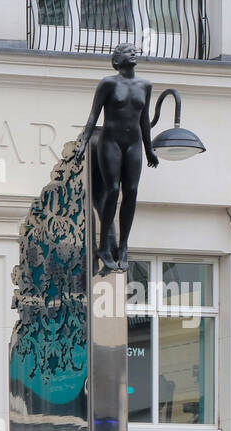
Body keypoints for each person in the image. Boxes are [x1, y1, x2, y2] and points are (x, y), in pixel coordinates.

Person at [76, 42, 159, 274]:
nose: (131, 53)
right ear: (115, 61)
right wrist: (84, 141)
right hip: (110, 142)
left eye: (133, 50)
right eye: (125, 51)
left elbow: (144, 120)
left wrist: (149, 148)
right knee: (113, 190)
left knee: (131, 191)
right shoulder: (108, 83)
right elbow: (93, 114)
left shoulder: (146, 85)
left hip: (134, 145)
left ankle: (123, 248)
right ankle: (104, 247)